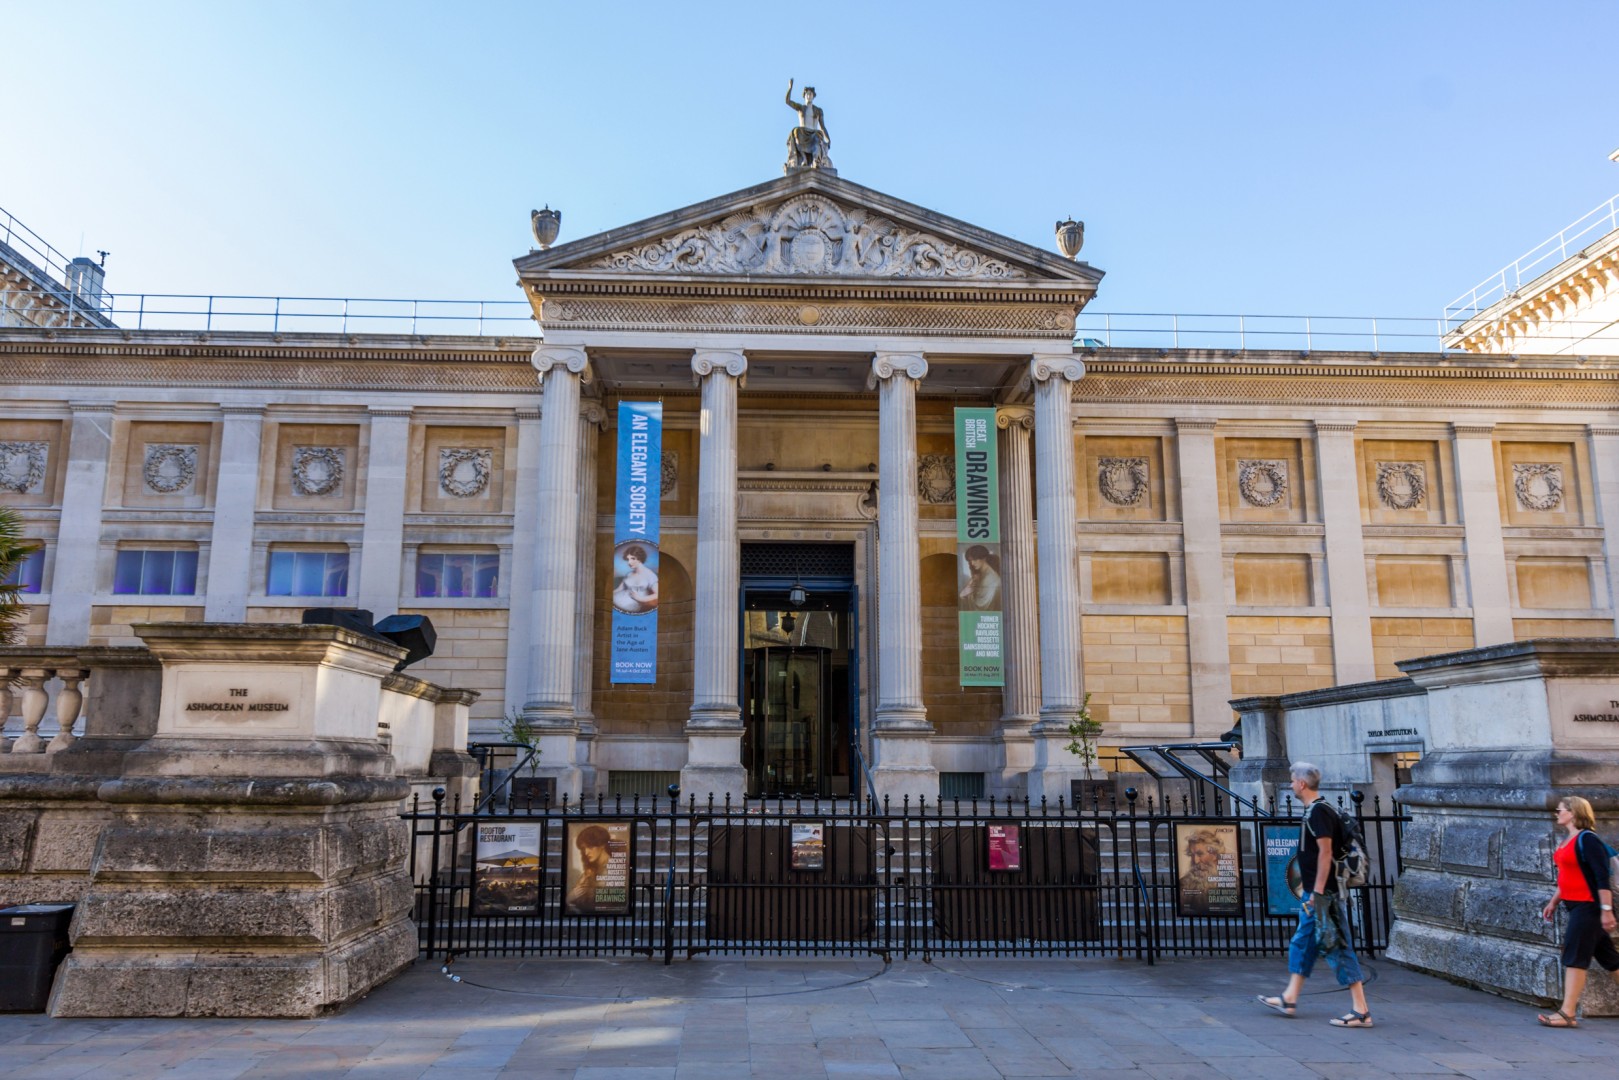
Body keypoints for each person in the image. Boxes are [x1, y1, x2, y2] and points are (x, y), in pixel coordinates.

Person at [1257, 762, 1373, 1027]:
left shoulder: (1319, 812)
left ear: (1302, 784)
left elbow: (1325, 853)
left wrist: (1317, 892)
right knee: (1303, 944)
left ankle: (1361, 1010)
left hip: (1323, 894)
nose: (1290, 785)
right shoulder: (1317, 810)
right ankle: (1289, 997)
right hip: (1317, 893)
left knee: (1337, 946)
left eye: (1291, 780)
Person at [1535, 795, 1618, 1027]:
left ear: (1573, 812)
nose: (1557, 813)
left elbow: (1601, 878)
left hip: (1589, 907)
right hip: (1576, 905)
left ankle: (1567, 1013)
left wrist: (1607, 910)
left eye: (1560, 809)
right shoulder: (1569, 839)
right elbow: (1568, 876)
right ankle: (1567, 1013)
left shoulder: (1588, 840)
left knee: (1575, 957)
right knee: (1611, 960)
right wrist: (1554, 901)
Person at [784, 80, 833, 171]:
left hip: (814, 133)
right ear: (804, 96)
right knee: (796, 131)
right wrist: (790, 88)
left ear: (813, 96)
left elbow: (822, 126)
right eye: (807, 94)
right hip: (802, 133)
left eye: (811, 94)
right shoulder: (801, 108)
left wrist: (828, 138)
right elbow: (787, 101)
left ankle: (816, 161)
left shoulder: (818, 110)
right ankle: (804, 158)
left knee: (818, 139)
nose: (809, 96)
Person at [566, 824, 613, 914]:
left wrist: (568, 900)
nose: (586, 852)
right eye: (584, 848)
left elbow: (596, 905)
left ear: (602, 845)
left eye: (590, 847)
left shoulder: (610, 869)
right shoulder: (590, 871)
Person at [1178, 828, 1224, 916]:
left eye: (1200, 854)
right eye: (1192, 855)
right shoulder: (1183, 884)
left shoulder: (1231, 882)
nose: (1195, 861)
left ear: (1214, 854)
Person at [612, 544, 659, 613]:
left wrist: (640, 599)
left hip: (633, 603)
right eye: (628, 559)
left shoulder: (650, 574)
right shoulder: (629, 574)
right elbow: (620, 588)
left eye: (633, 558)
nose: (629, 562)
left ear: (640, 558)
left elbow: (657, 594)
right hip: (620, 597)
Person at [959, 545, 1001, 610]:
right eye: (970, 560)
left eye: (975, 559)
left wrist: (963, 595)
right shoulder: (980, 574)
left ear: (984, 558)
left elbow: (980, 605)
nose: (972, 563)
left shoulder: (990, 578)